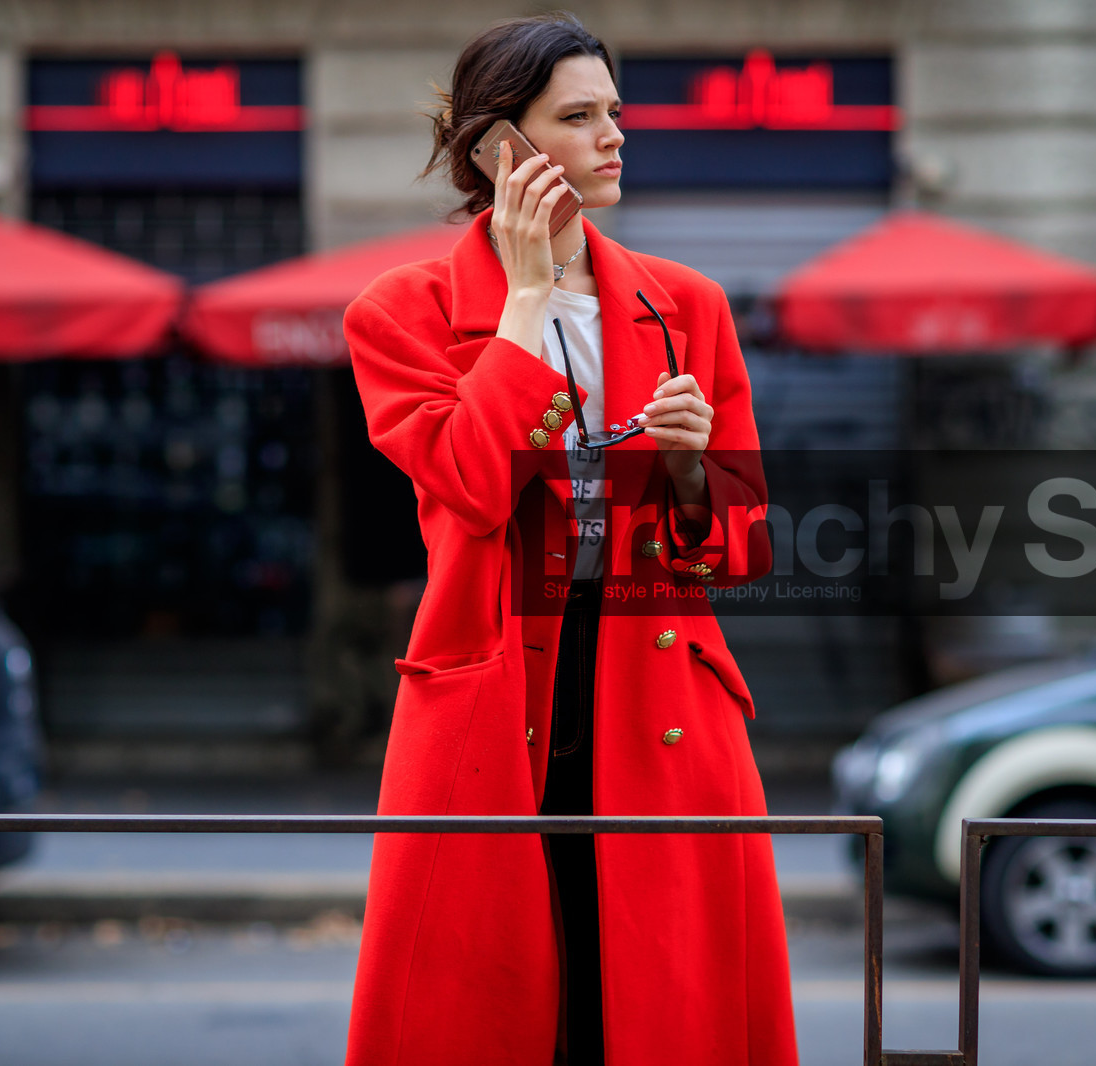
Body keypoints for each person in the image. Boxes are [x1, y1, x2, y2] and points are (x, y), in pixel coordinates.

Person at [342, 12, 796, 1065]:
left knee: (654, 998)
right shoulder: (401, 313)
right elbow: (471, 484)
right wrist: (526, 298)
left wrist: (689, 469)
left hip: (661, 693)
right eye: (579, 116)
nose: (614, 136)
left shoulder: (687, 305)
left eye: (615, 112)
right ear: (500, 149)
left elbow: (742, 546)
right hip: (498, 690)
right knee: (492, 1006)